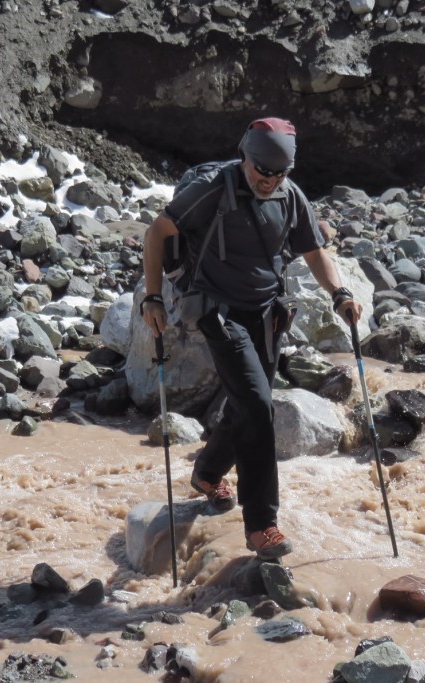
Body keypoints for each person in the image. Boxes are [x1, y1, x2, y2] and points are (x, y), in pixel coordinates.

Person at [140, 118, 363, 560]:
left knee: (247, 400)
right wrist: (152, 298)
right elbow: (157, 232)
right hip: (218, 312)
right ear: (247, 155)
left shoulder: (289, 195)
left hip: (266, 312)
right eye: (263, 169)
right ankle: (262, 524)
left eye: (280, 172)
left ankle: (206, 473)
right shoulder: (212, 191)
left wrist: (340, 293)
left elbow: (314, 250)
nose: (269, 179)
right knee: (259, 405)